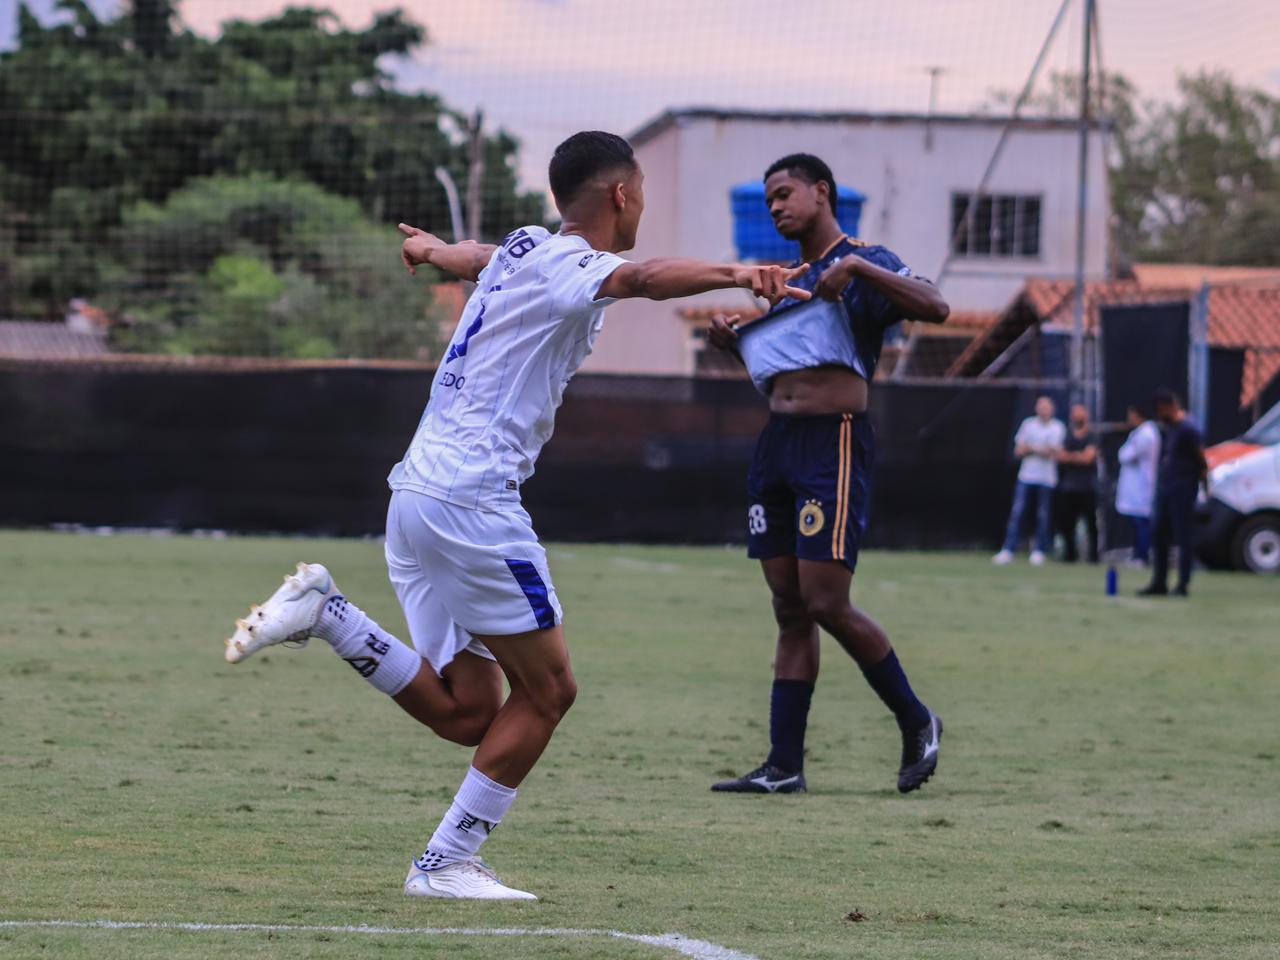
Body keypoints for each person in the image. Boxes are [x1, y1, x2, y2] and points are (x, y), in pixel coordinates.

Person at [221, 131, 812, 900]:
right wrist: (736, 272)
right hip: (471, 505)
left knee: (471, 710)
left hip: (416, 499)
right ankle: (443, 864)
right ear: (622, 196)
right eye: (643, 195)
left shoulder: (528, 246)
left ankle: (329, 615)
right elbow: (642, 277)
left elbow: (479, 256)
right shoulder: (576, 263)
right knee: (551, 692)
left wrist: (435, 251)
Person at [705, 153, 950, 796]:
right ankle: (784, 766)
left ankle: (917, 718)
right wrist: (736, 345)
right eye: (769, 201)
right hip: (777, 446)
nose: (777, 207)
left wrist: (860, 268)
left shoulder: (863, 259)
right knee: (790, 608)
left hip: (831, 444)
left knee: (824, 602)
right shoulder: (790, 279)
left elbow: (938, 306)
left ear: (821, 192)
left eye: (785, 194)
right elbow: (783, 379)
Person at [1140, 388, 1208, 597]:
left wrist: (1205, 485)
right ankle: (1159, 581)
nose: (1160, 416)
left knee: (1182, 535)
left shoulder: (1189, 429)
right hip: (1167, 488)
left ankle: (1183, 584)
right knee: (1159, 533)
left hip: (1183, 488)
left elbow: (1201, 458)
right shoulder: (1172, 428)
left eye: (1161, 411)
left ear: (1169, 407)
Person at [992, 396, 1065, 567]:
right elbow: (1019, 450)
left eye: (1047, 407)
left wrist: (1031, 448)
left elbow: (1052, 452)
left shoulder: (1057, 427)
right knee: (1018, 512)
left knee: (1043, 515)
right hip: (1026, 476)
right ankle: (1008, 550)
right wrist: (1039, 449)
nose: (1044, 410)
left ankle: (1039, 550)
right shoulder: (1028, 424)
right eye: (1041, 406)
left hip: (1047, 479)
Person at [1115, 403, 1159, 565]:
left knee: (1141, 522)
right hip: (1136, 486)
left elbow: (1125, 455)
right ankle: (1137, 554)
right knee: (1136, 522)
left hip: (1141, 486)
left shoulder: (1146, 434)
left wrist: (1124, 452)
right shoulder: (1140, 433)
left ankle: (1142, 556)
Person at [1055, 403, 1099, 563]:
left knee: (1090, 523)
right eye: (1074, 413)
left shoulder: (1091, 435)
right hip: (1069, 486)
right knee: (1067, 523)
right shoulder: (1067, 434)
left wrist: (1071, 456)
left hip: (1087, 486)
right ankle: (1069, 555)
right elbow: (1060, 456)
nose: (1077, 416)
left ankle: (1093, 556)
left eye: (1080, 412)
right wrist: (1077, 456)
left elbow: (1088, 458)